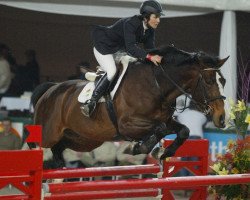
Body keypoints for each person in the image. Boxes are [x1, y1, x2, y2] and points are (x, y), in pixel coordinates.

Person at [81, 0, 164, 117]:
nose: (158, 20)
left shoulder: (150, 30)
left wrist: (164, 57)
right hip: (104, 47)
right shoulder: (131, 23)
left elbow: (151, 49)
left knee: (134, 68)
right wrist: (150, 57)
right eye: (156, 17)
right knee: (112, 71)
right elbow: (131, 48)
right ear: (146, 17)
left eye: (159, 17)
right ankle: (91, 102)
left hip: (119, 50)